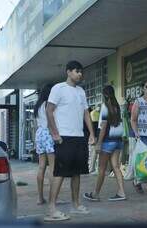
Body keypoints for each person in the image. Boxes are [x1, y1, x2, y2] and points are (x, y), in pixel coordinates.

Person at [45, 60, 96, 221]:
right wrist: (55, 134)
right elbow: (49, 110)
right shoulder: (58, 88)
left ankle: (76, 205)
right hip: (64, 137)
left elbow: (86, 113)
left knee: (77, 173)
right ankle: (52, 209)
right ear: (68, 72)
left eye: (81, 71)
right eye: (76, 71)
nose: (80, 74)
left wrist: (92, 134)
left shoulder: (81, 91)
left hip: (79, 137)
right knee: (60, 173)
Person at [84, 85, 126, 201]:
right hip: (118, 141)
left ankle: (95, 194)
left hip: (107, 141)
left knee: (101, 168)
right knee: (116, 167)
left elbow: (103, 127)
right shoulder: (117, 107)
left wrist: (99, 143)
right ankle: (122, 192)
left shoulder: (105, 107)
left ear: (104, 95)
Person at [34, 84, 54, 205]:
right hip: (49, 133)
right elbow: (52, 121)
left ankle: (40, 198)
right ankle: (52, 197)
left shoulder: (38, 106)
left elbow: (36, 123)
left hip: (39, 133)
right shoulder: (50, 104)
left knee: (41, 166)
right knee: (53, 167)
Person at [89, 105, 100, 174]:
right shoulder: (97, 114)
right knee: (96, 153)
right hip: (98, 135)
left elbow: (93, 127)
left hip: (94, 136)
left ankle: (92, 168)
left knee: (93, 153)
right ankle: (95, 168)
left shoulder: (92, 114)